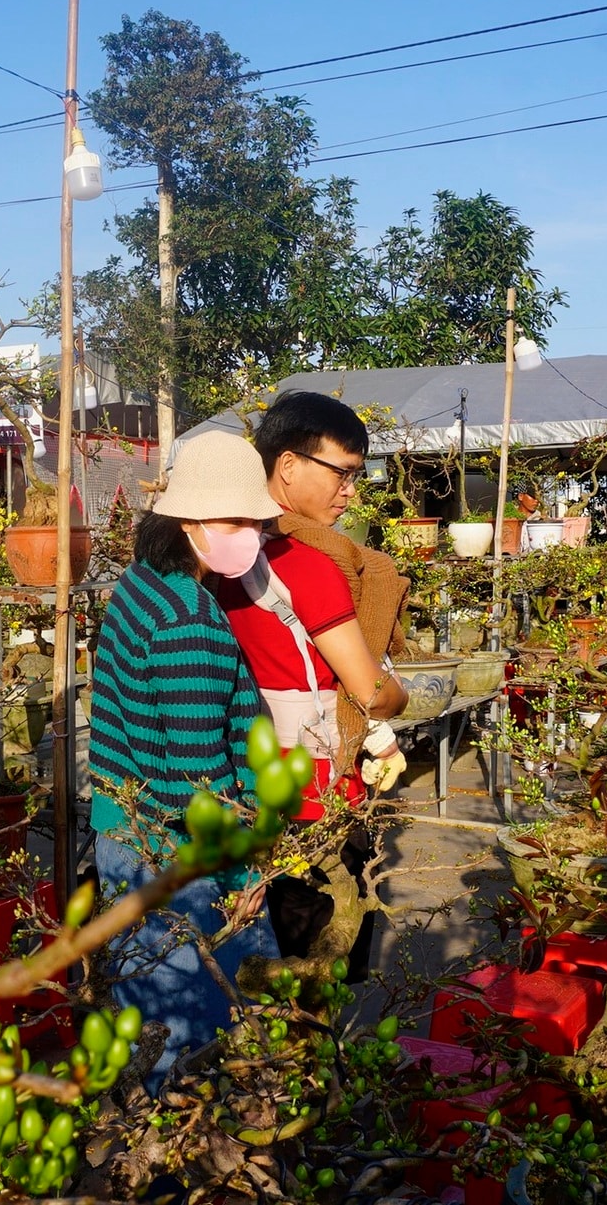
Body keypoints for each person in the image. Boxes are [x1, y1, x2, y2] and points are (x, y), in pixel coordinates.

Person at [89, 430, 281, 1086]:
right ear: (189, 520)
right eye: (238, 520)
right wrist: (238, 881)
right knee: (201, 1052)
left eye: (254, 520)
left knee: (151, 1027)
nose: (251, 533)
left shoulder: (145, 583)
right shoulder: (189, 620)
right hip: (178, 860)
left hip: (127, 837)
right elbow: (200, 783)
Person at [220, 392, 409, 979]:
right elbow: (371, 692)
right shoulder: (312, 565)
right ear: (288, 466)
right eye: (342, 474)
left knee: (263, 975)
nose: (350, 490)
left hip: (245, 790)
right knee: (322, 977)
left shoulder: (221, 551)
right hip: (320, 795)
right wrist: (400, 697)